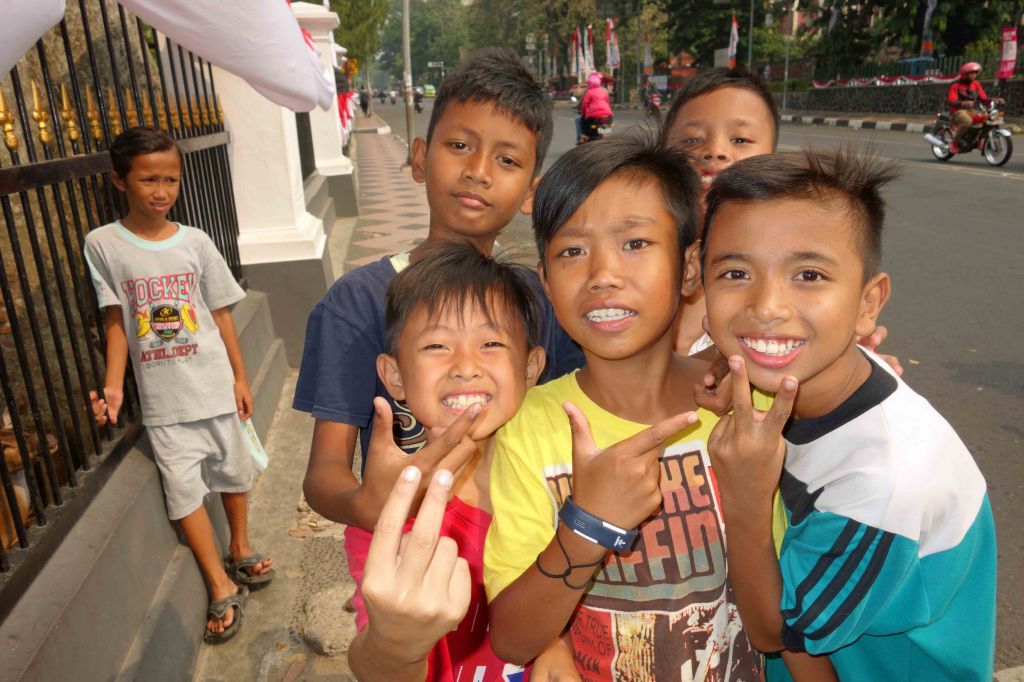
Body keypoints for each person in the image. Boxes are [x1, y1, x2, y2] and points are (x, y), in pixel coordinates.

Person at [293, 43, 583, 634]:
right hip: (411, 562)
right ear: (420, 158)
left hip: (529, 556)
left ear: (531, 190)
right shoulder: (357, 303)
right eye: (460, 146)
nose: (479, 171)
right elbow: (324, 473)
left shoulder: (542, 300)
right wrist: (364, 506)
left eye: (507, 159)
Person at [700, 147, 997, 681]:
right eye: (736, 272)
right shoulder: (824, 370)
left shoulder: (883, 488)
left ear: (867, 304)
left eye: (809, 275)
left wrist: (745, 498)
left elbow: (773, 631)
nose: (766, 306)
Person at [484, 131, 771, 680]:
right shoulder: (529, 427)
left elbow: (778, 624)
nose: (603, 275)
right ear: (545, 281)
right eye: (572, 251)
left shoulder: (745, 405)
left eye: (635, 243)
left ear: (689, 268)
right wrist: (586, 527)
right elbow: (514, 638)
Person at [348, 245, 577, 681]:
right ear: (394, 376)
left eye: (491, 343)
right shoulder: (388, 510)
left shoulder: (568, 475)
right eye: (437, 345)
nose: (466, 367)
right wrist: (394, 641)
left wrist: (553, 640)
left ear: (531, 368)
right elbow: (372, 667)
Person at [84, 126, 273, 644]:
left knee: (234, 470)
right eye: (148, 179)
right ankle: (218, 582)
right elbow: (116, 320)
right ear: (120, 181)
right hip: (163, 398)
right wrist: (114, 387)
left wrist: (239, 377)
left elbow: (221, 314)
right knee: (183, 489)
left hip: (212, 382)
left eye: (171, 179)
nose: (161, 191)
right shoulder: (102, 244)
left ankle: (240, 546)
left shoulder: (196, 241)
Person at [660, 68, 900, 378]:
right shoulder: (629, 269)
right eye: (692, 139)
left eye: (740, 139)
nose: (715, 151)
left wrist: (848, 368)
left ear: (770, 159)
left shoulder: (812, 302)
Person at [946, 62, 1003, 153]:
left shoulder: (975, 84)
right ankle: (954, 143)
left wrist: (995, 100)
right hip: (958, 111)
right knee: (967, 121)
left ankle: (977, 140)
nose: (974, 75)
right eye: (971, 73)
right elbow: (952, 102)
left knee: (985, 119)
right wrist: (963, 102)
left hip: (972, 110)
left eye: (975, 73)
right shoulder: (955, 85)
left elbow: (984, 99)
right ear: (965, 74)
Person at [577, 72, 613, 143]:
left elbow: (584, 104)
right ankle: (606, 136)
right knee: (607, 129)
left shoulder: (589, 91)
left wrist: (583, 112)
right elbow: (608, 103)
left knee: (582, 121)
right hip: (608, 115)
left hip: (593, 116)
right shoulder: (604, 91)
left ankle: (584, 137)